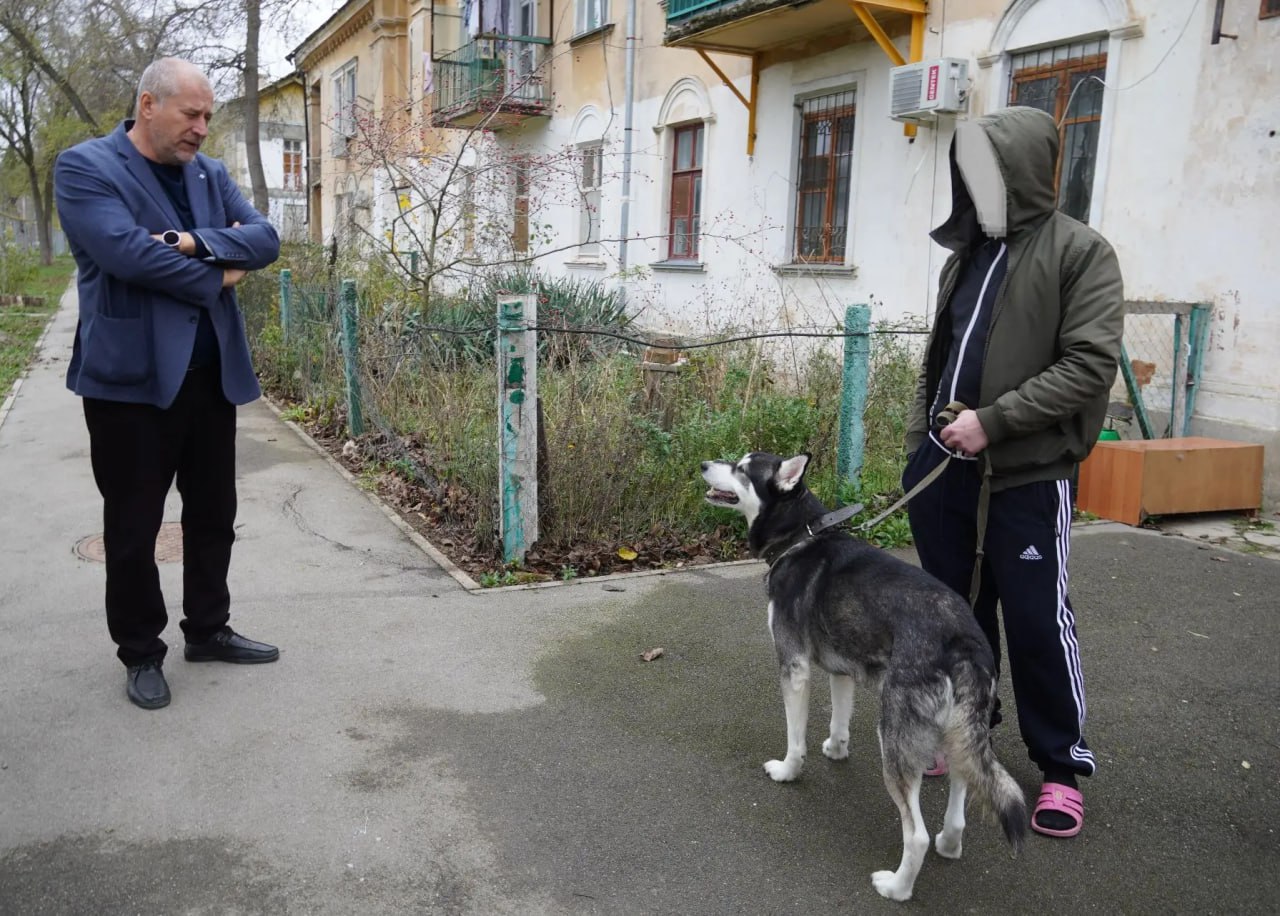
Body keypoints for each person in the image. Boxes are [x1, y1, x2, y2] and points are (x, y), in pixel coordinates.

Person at [901, 107, 1124, 838]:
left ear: (1021, 172)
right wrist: (918, 449)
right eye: (966, 170)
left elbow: (1090, 366)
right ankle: (969, 732)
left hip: (1027, 475)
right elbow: (940, 361)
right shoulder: (964, 254)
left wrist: (992, 422)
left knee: (1035, 621)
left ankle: (1060, 766)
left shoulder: (1080, 253)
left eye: (986, 169)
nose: (974, 183)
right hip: (944, 474)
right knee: (955, 618)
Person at [55, 58, 282, 710]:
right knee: (133, 528)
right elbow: (126, 254)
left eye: (208, 117)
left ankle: (208, 630)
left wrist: (187, 242)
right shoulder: (86, 168)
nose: (203, 129)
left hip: (211, 378)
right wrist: (221, 267)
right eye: (192, 114)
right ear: (149, 105)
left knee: (215, 516)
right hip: (130, 383)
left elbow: (264, 238)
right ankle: (141, 652)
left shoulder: (208, 173)